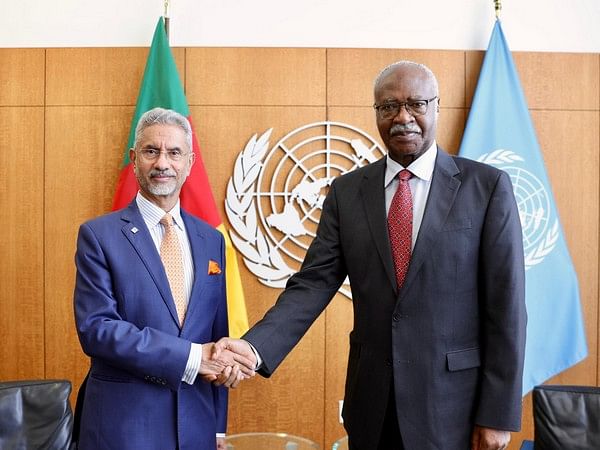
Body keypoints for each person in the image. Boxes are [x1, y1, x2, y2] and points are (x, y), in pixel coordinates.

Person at [214, 61, 527, 450]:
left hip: (453, 408)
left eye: (416, 104)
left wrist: (497, 413)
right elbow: (312, 284)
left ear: (437, 107)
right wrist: (254, 346)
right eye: (389, 107)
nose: (403, 117)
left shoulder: (486, 187)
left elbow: (507, 307)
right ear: (376, 112)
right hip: (372, 407)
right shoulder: (347, 193)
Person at [73, 107, 253, 450]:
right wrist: (194, 357)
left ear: (190, 161)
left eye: (174, 152)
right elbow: (97, 330)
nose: (162, 163)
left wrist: (217, 428)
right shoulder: (99, 235)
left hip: (196, 426)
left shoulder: (212, 239)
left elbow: (218, 333)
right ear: (134, 158)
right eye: (151, 151)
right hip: (123, 426)